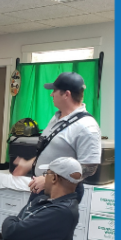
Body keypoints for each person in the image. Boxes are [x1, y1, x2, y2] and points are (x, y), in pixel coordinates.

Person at [13, 72, 101, 201]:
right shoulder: (56, 118)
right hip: (42, 188)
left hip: (61, 194)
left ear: (66, 94)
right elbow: (52, 151)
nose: (51, 94)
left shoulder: (87, 126)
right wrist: (28, 164)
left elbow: (89, 168)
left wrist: (51, 180)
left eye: (54, 90)